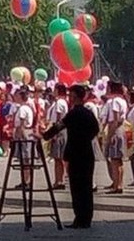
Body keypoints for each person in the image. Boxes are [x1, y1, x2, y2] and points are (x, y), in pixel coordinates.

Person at [43, 84, 100, 229]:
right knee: (86, 186)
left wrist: (45, 135)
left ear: (74, 97)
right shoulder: (88, 113)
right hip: (87, 152)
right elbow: (96, 129)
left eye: (71, 96)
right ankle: (86, 218)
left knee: (76, 187)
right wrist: (86, 138)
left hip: (75, 153)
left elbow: (59, 126)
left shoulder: (74, 113)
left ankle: (79, 218)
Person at [47, 84, 69, 190]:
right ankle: (58, 179)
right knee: (57, 157)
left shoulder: (60, 102)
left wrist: (55, 132)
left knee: (58, 157)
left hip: (59, 131)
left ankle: (59, 180)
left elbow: (59, 118)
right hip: (59, 130)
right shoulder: (59, 102)